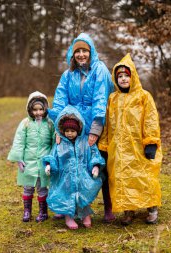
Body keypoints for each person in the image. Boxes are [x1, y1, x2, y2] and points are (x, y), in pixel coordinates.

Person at [47, 32, 116, 222]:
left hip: (95, 124)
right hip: (72, 127)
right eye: (78, 51)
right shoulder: (68, 74)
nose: (81, 55)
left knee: (98, 165)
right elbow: (60, 101)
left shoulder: (99, 70)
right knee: (67, 165)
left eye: (85, 50)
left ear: (91, 51)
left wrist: (95, 130)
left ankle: (108, 207)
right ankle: (65, 205)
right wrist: (59, 129)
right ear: (72, 54)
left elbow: (100, 101)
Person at [98, 53, 162, 225]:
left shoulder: (143, 96)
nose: (124, 79)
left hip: (139, 146)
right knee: (122, 177)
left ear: (133, 76)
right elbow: (108, 123)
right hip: (119, 148)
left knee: (144, 176)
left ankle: (152, 208)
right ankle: (128, 210)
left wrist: (151, 142)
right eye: (120, 76)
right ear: (115, 79)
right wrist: (103, 145)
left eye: (127, 75)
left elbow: (150, 120)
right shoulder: (113, 98)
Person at [42, 105, 105, 229]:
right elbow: (53, 156)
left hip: (82, 175)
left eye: (72, 131)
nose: (70, 134)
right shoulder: (59, 144)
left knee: (83, 194)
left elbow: (94, 154)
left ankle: (85, 214)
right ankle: (69, 217)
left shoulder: (85, 142)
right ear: (62, 131)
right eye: (67, 131)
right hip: (65, 177)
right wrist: (49, 165)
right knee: (67, 196)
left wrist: (95, 166)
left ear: (78, 129)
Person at [7, 91, 54, 223]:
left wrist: (51, 160)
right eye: (35, 110)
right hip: (28, 161)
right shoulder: (25, 123)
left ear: (45, 109)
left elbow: (53, 142)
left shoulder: (50, 124)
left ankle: (43, 212)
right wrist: (18, 158)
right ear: (30, 109)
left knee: (42, 187)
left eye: (41, 109)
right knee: (28, 187)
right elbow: (19, 141)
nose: (38, 113)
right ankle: (27, 211)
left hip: (43, 162)